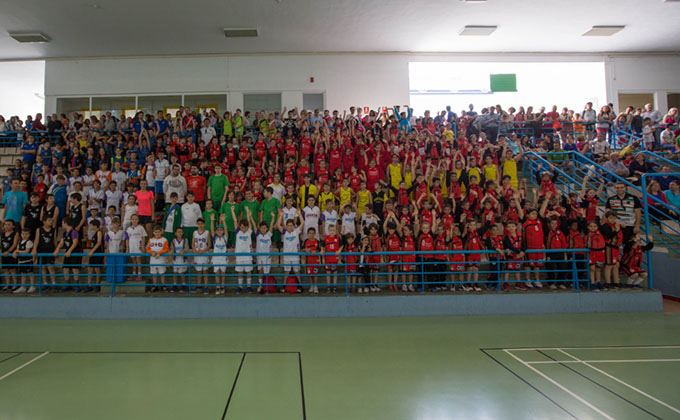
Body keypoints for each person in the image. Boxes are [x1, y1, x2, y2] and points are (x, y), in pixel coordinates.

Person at [54, 217, 81, 292]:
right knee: (65, 268)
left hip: (75, 252)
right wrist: (57, 249)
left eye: (62, 223)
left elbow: (75, 242)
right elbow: (62, 242)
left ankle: (76, 285)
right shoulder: (64, 233)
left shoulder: (74, 232)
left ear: (66, 223)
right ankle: (67, 285)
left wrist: (69, 251)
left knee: (75, 269)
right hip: (68, 252)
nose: (62, 224)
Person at [233, 209, 255, 294]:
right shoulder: (238, 232)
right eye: (241, 227)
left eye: (244, 227)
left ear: (247, 227)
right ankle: (240, 286)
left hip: (248, 256)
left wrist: (248, 214)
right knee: (240, 271)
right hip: (239, 255)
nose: (243, 228)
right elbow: (235, 221)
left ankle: (249, 286)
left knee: (248, 271)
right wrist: (232, 211)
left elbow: (249, 221)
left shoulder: (249, 232)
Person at [33, 216, 57, 289]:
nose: (51, 222)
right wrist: (34, 249)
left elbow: (55, 240)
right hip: (41, 251)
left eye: (52, 220)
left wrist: (56, 249)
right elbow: (36, 240)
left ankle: (54, 283)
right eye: (49, 220)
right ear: (44, 221)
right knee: (43, 267)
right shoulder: (39, 230)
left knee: (50, 267)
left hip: (50, 251)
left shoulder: (53, 230)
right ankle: (45, 283)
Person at [147, 225, 170, 292]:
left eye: (158, 232)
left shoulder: (164, 240)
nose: (157, 233)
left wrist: (159, 253)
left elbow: (166, 249)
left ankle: (163, 285)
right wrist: (152, 252)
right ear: (153, 232)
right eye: (156, 232)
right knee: (154, 273)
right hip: (153, 260)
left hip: (161, 260)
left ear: (161, 232)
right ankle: (155, 285)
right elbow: (148, 249)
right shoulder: (151, 240)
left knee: (162, 273)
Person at [104, 217, 127, 285]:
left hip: (119, 251)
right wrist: (107, 250)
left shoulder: (121, 232)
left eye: (116, 224)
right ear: (111, 224)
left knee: (119, 266)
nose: (115, 225)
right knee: (111, 266)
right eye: (113, 224)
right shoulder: (108, 233)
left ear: (119, 224)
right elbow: (107, 243)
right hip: (111, 252)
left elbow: (123, 242)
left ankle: (120, 279)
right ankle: (110, 279)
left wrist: (122, 250)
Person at [125, 214, 147, 283]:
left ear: (138, 220)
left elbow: (143, 237)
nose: (134, 221)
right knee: (133, 260)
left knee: (138, 260)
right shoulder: (128, 229)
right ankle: (134, 273)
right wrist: (127, 248)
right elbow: (127, 239)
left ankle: (139, 274)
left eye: (136, 219)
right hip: (131, 246)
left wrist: (143, 246)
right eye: (133, 219)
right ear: (131, 220)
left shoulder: (141, 227)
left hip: (138, 245)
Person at [192, 218, 211, 294]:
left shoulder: (207, 233)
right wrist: (194, 250)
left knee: (205, 271)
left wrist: (203, 251)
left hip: (204, 254)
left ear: (204, 224)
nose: (200, 225)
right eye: (198, 224)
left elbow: (209, 245)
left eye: (201, 224)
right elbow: (193, 243)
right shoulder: (195, 232)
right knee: (198, 271)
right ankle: (199, 286)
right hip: (197, 254)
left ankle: (206, 287)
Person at [12, 228, 35, 294]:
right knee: (23, 274)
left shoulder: (29, 242)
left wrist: (17, 251)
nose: (24, 235)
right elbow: (17, 250)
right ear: (21, 234)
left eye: (26, 234)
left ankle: (32, 286)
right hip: (21, 261)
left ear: (29, 235)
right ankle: (23, 286)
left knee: (30, 273)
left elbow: (27, 251)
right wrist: (15, 252)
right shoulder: (19, 242)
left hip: (28, 261)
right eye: (23, 234)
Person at [255, 220, 274, 294]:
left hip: (267, 257)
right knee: (260, 271)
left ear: (267, 228)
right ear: (259, 228)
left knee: (266, 272)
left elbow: (271, 226)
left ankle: (266, 286)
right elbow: (253, 225)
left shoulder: (269, 234)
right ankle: (260, 285)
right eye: (262, 228)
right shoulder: (258, 235)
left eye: (264, 228)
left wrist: (273, 217)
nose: (263, 229)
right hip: (259, 256)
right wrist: (250, 217)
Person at [86, 219, 104, 293]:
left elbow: (99, 242)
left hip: (97, 253)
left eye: (90, 225)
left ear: (95, 226)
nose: (89, 226)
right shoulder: (94, 234)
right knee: (90, 269)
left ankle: (97, 285)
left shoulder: (99, 232)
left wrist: (92, 251)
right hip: (93, 254)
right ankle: (89, 285)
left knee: (97, 270)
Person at [212, 224, 229, 295]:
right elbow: (212, 230)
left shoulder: (225, 237)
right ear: (216, 231)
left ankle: (222, 286)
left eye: (221, 230)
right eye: (218, 230)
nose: (219, 231)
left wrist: (224, 221)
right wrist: (212, 221)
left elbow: (226, 230)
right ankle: (217, 286)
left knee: (223, 273)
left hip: (223, 258)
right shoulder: (214, 238)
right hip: (216, 259)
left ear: (223, 231)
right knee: (217, 273)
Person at [170, 227, 188, 292]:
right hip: (175, 259)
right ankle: (174, 285)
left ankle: (184, 285)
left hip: (182, 259)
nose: (179, 233)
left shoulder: (185, 240)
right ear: (175, 233)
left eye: (181, 232)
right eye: (178, 232)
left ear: (183, 233)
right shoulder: (173, 241)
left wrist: (183, 251)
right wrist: (171, 251)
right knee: (175, 272)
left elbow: (186, 248)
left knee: (181, 273)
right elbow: (172, 248)